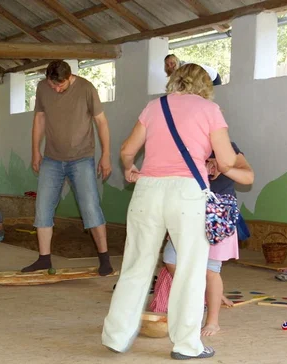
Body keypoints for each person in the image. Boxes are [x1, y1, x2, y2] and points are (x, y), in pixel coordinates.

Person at [102, 64, 240, 360]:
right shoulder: (210, 109)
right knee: (191, 271)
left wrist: (130, 167)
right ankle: (186, 345)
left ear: (174, 81)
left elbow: (127, 150)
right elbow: (227, 161)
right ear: (204, 85)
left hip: (147, 190)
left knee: (136, 265)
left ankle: (115, 336)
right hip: (187, 193)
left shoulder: (154, 106)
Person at [150, 142, 253, 337]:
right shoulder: (185, 144)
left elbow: (248, 176)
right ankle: (210, 292)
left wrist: (225, 168)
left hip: (217, 215)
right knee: (171, 259)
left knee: (210, 270)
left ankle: (212, 321)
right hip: (188, 211)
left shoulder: (226, 146)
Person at [22, 60, 114, 276]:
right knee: (43, 207)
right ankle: (44, 259)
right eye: (53, 85)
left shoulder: (86, 88)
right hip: (52, 159)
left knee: (90, 207)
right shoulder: (43, 88)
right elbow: (39, 119)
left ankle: (105, 259)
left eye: (60, 86)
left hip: (81, 157)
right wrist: (35, 150)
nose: (56, 89)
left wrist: (106, 155)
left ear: (69, 77)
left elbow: (101, 122)